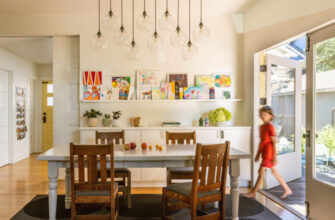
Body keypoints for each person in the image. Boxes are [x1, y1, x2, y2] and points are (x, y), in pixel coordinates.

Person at [245, 106, 292, 199]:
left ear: (271, 116)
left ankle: (253, 192)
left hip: (269, 154)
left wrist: (275, 156)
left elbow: (274, 142)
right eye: (262, 115)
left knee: (261, 172)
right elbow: (262, 142)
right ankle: (287, 189)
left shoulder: (270, 127)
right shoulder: (262, 127)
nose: (263, 116)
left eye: (265, 115)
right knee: (273, 171)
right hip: (264, 153)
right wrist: (258, 154)